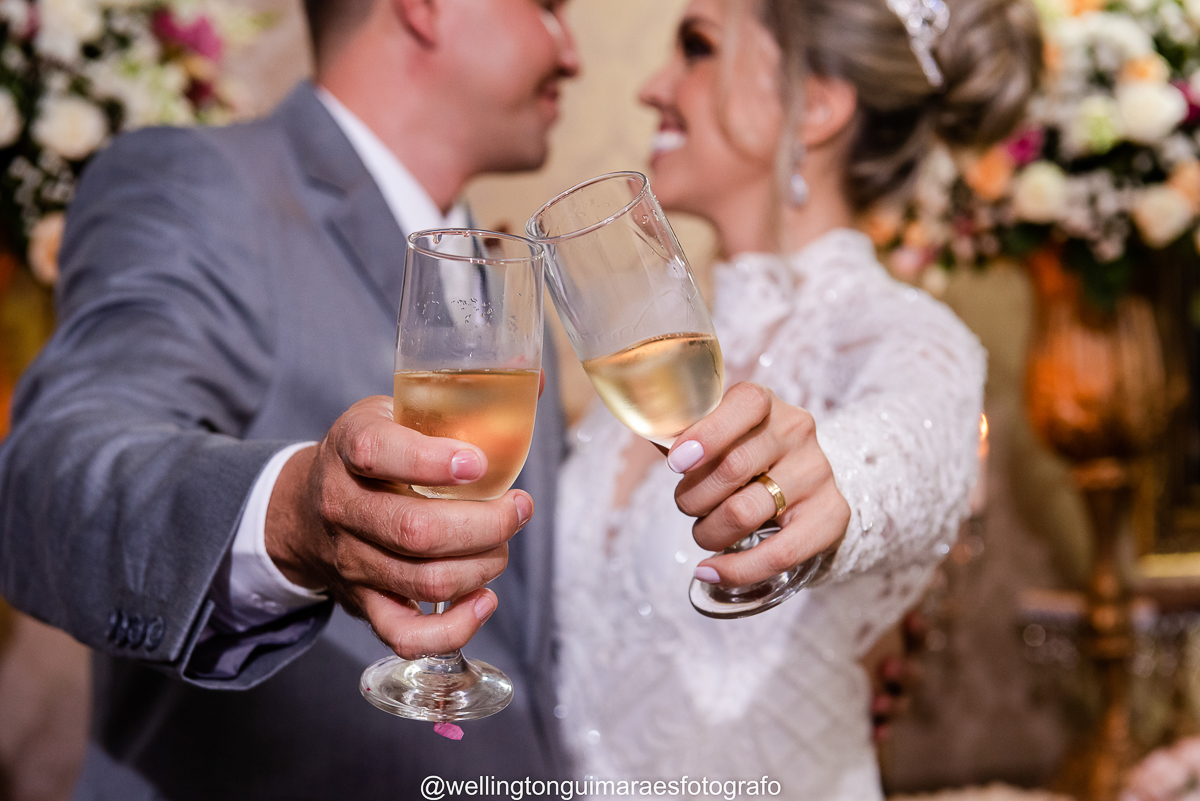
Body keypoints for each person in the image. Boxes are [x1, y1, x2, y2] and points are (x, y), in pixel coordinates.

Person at [0, 0, 582, 797]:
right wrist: (294, 515)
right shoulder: (202, 182)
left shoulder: (500, 277)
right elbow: (49, 474)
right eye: (549, 9)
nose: (572, 52)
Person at [553, 0, 1041, 798]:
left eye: (698, 46)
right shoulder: (649, 367)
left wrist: (831, 483)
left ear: (814, 104)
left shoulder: (905, 335)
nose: (652, 87)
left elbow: (912, 443)